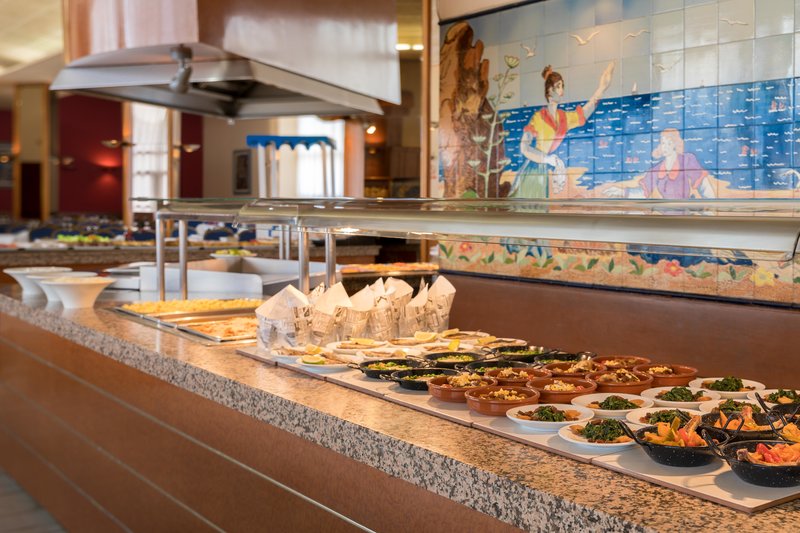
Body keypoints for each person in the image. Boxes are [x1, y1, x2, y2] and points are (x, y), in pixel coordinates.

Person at [510, 62, 615, 198]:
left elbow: (585, 112)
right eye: (558, 86)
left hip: (544, 171)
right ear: (549, 90)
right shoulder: (538, 117)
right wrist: (547, 159)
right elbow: (524, 148)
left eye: (562, 86)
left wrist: (601, 88)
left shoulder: (564, 117)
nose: (562, 91)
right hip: (533, 170)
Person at [603, 128, 715, 199]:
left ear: (675, 144)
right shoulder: (656, 169)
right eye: (663, 143)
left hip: (684, 214)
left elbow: (704, 187)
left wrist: (710, 210)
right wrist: (622, 191)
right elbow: (643, 192)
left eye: (669, 143)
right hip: (665, 215)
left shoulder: (687, 160)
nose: (665, 147)